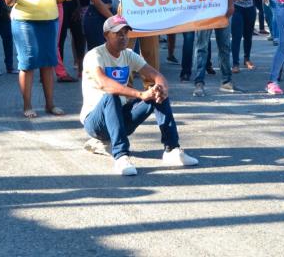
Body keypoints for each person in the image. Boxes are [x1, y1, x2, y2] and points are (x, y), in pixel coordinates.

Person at [80, 15, 198, 176]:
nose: (123, 37)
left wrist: (161, 88)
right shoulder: (95, 55)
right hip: (95, 122)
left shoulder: (128, 54)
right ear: (106, 35)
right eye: (118, 33)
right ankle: (121, 157)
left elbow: (157, 75)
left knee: (156, 92)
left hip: (120, 118)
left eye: (125, 33)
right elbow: (103, 84)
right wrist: (140, 94)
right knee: (111, 96)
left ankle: (172, 149)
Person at [6, 0, 63, 119]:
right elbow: (8, 1)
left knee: (48, 62)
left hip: (49, 19)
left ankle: (50, 104)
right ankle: (27, 105)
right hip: (25, 20)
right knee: (28, 62)